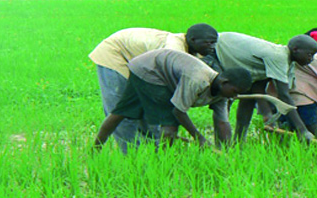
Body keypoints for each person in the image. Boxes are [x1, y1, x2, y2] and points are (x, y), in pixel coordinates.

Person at [89, 24, 218, 152]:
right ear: (193, 40)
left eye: (214, 42)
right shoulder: (174, 49)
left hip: (143, 67)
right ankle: (129, 154)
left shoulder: (194, 51)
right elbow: (169, 93)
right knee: (122, 110)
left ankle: (152, 151)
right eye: (209, 43)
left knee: (145, 109)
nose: (213, 47)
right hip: (115, 54)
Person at [93, 49, 252, 151]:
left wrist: (226, 151)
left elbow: (222, 122)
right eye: (235, 92)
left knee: (121, 112)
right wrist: (199, 138)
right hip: (152, 70)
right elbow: (178, 111)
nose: (235, 97)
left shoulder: (222, 95)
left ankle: (94, 149)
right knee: (170, 125)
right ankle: (163, 163)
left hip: (146, 66)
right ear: (224, 82)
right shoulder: (197, 80)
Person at [213, 32, 317, 143]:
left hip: (227, 46)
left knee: (248, 98)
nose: (311, 59)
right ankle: (222, 144)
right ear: (295, 50)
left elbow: (258, 87)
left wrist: (267, 114)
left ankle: (239, 141)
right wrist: (302, 130)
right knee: (221, 101)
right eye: (309, 54)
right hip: (218, 50)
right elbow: (284, 96)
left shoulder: (288, 61)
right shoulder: (279, 57)